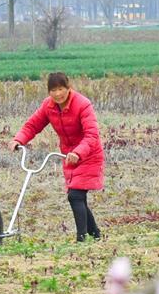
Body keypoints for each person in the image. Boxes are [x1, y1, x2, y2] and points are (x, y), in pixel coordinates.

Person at [8, 72, 104, 242]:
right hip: (68, 155)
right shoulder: (49, 106)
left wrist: (78, 152)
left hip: (88, 153)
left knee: (75, 195)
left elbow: (91, 134)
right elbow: (33, 125)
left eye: (61, 89)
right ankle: (95, 235)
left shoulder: (82, 104)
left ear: (68, 88)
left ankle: (82, 240)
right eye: (53, 90)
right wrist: (19, 139)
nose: (57, 94)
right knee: (78, 196)